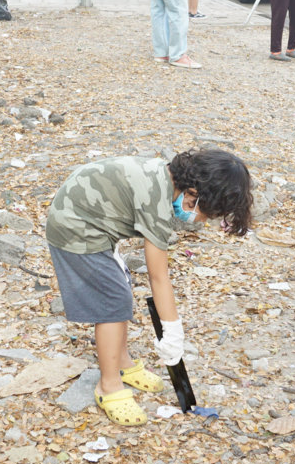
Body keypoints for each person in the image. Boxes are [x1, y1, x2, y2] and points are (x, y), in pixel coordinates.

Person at [45, 149, 253, 426]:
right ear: (193, 193)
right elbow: (158, 276)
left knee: (120, 289)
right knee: (111, 302)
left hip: (91, 218)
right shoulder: (155, 201)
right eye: (206, 213)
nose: (203, 221)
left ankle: (122, 363)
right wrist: (173, 331)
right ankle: (109, 386)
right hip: (75, 227)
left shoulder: (165, 178)